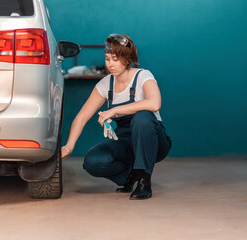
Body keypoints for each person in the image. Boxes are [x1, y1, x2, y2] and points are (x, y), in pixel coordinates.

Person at [61, 34, 172, 200]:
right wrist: (69, 146)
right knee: (93, 161)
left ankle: (144, 180)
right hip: (127, 143)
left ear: (127, 59)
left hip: (154, 142)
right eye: (107, 59)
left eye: (115, 59)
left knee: (143, 117)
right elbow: (82, 117)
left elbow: (155, 103)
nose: (110, 64)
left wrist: (114, 110)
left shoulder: (143, 76)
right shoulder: (106, 84)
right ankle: (130, 175)